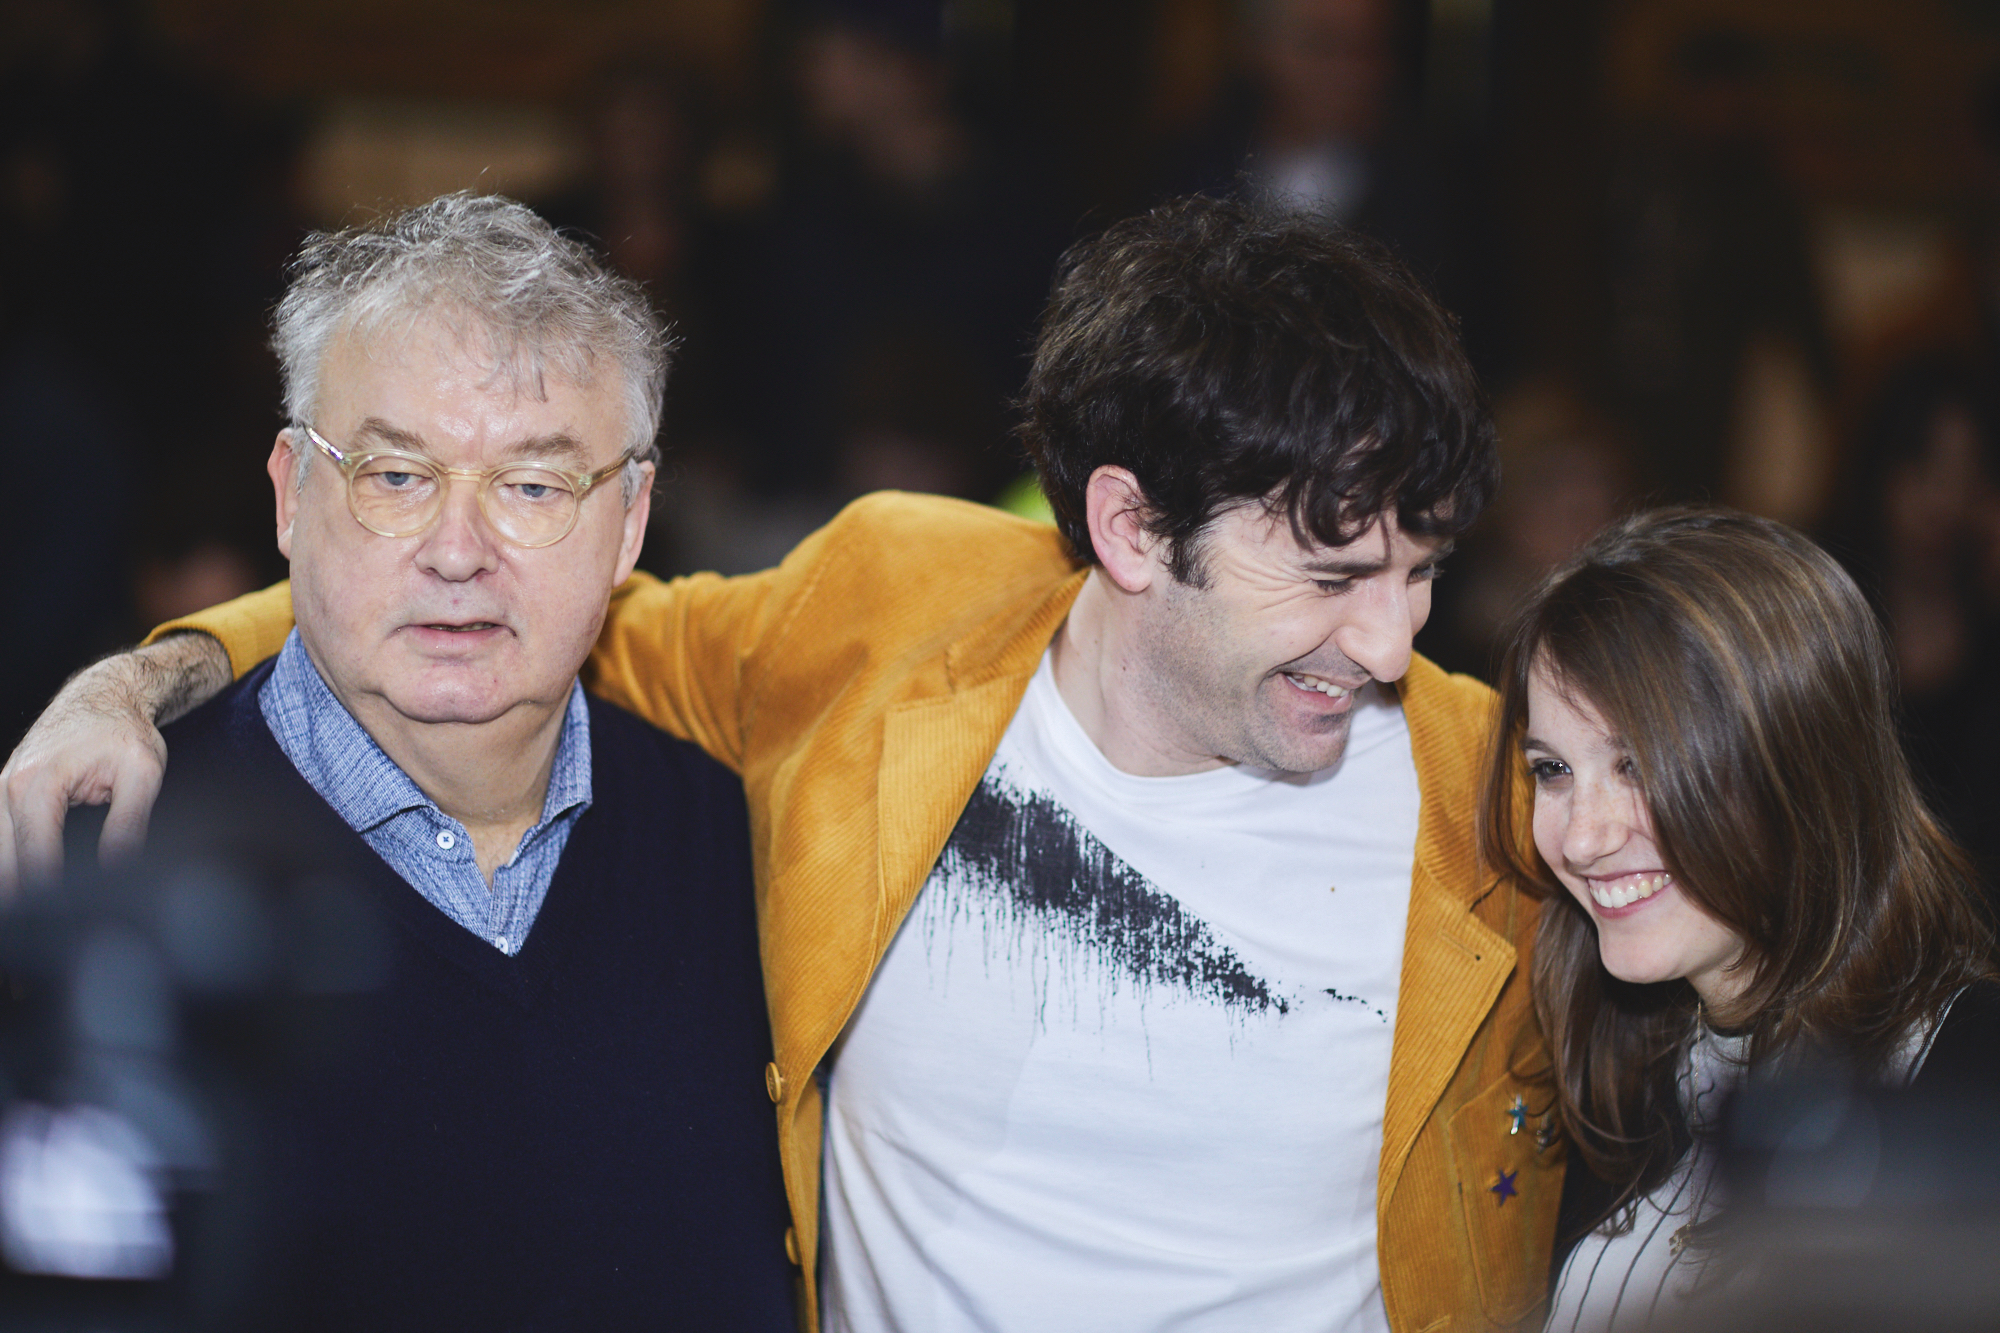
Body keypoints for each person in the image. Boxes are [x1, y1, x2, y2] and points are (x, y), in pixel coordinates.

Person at [4, 195, 1554, 1331]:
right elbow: (446, 620)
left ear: (628, 515)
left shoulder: (1510, 795)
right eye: (1333, 578)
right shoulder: (880, 627)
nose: (1391, 643)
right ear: (1133, 528)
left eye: (1423, 575)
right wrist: (144, 679)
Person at [1, 194, 796, 1328]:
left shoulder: (744, 851)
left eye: (533, 486)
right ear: (291, 495)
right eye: (395, 476)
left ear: (629, 522)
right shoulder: (101, 870)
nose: (458, 552)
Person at [1476, 507, 1998, 1331]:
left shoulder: (1968, 1086)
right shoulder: (1618, 1080)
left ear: (1798, 758)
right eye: (1553, 769)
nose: (1580, 837)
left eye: (1637, 764)